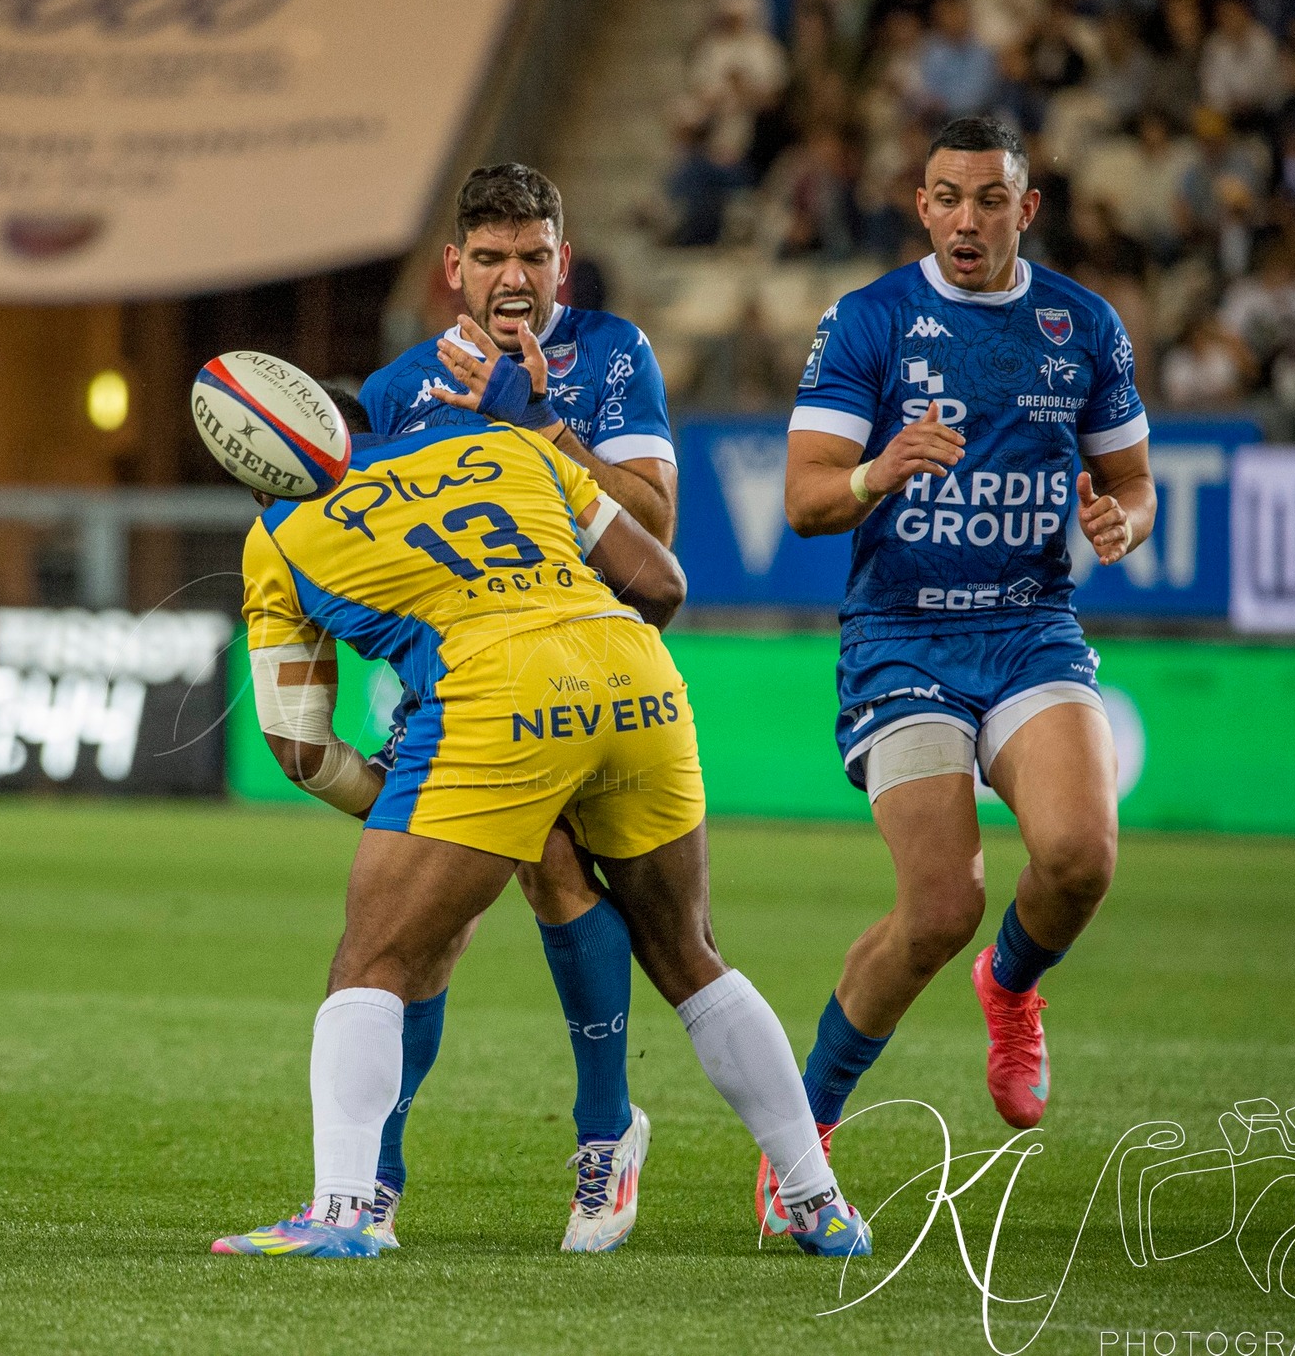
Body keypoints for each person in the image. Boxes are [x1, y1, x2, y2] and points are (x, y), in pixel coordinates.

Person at [211, 379, 869, 1260]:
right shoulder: (508, 447)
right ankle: (816, 1200)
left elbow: (296, 746)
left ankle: (342, 1213)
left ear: (261, 477)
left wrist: (394, 805)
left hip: (494, 698)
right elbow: (664, 585)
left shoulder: (278, 534)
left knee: (372, 960)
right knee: (690, 955)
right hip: (634, 673)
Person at [766, 117, 1158, 1231]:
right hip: (900, 635)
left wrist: (1118, 521)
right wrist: (880, 468)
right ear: (920, 203)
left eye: (988, 200)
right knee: (939, 902)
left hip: (1030, 622)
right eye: (945, 198)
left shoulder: (1080, 326)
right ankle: (806, 1130)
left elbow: (1130, 482)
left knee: (1079, 855)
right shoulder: (871, 319)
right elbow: (801, 499)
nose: (965, 220)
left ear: (1023, 208)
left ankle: (1012, 987)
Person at [357, 163, 678, 1252]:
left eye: (531, 256)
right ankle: (403, 1168)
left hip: (599, 670)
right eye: (488, 256)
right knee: (432, 924)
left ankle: (600, 1131)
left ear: (561, 262)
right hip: (473, 684)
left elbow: (653, 526)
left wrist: (538, 427)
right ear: (452, 268)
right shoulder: (398, 389)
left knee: (633, 915)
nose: (511, 277)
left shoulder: (613, 357)